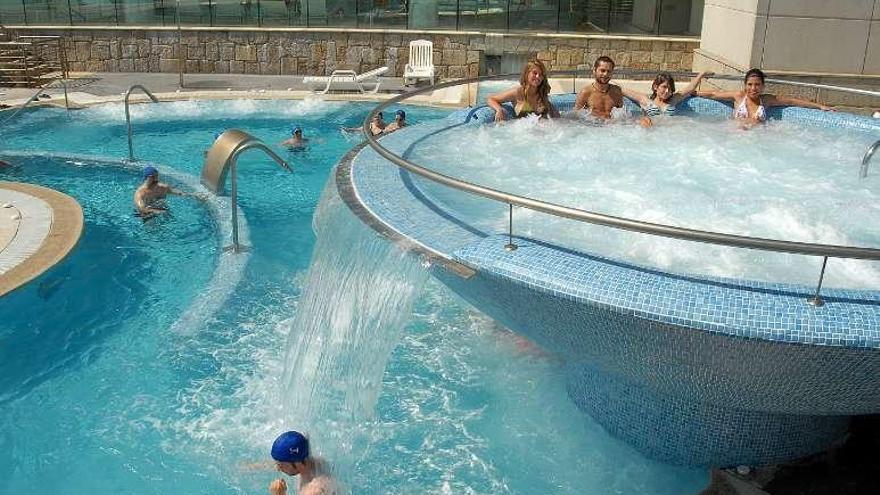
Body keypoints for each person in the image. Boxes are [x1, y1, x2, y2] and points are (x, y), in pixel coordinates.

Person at [698, 68, 833, 128]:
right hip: (735, 136)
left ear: (763, 86)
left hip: (756, 139)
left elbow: (792, 101)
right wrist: (693, 93)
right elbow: (713, 94)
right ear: (745, 85)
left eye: (757, 85)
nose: (753, 88)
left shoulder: (767, 100)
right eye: (750, 84)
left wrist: (820, 106)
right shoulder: (739, 96)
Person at [621, 71, 712, 127]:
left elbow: (690, 88)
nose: (667, 91)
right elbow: (622, 90)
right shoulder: (646, 100)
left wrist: (701, 74)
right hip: (651, 131)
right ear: (656, 87)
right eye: (664, 87)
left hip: (669, 132)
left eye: (670, 88)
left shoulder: (674, 99)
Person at [486, 58, 560, 122]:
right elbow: (491, 99)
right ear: (527, 73)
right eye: (535, 73)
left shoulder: (542, 93)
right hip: (526, 135)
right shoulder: (517, 92)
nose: (538, 77)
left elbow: (554, 117)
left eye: (541, 74)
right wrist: (499, 110)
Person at [269, 431, 337, 495]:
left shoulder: (313, 490)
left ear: (296, 463)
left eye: (281, 465)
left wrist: (279, 493)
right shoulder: (314, 463)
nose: (278, 468)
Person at [133, 166, 199, 219]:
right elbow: (142, 209)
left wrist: (194, 195)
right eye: (155, 177)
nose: (157, 179)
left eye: (157, 177)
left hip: (164, 210)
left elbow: (178, 193)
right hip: (148, 214)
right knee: (152, 231)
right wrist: (159, 212)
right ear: (149, 178)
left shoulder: (162, 188)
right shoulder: (140, 194)